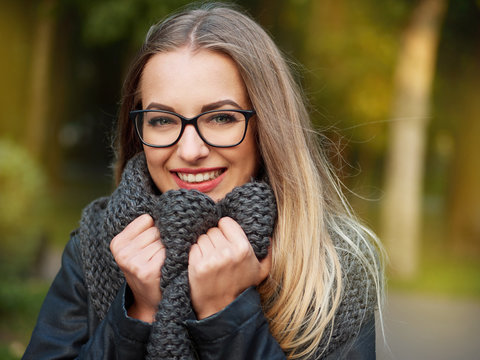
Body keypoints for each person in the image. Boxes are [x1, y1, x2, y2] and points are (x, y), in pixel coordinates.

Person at [24, 2, 384, 359]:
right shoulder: (96, 245)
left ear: (267, 128)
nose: (191, 149)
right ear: (139, 131)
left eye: (221, 118)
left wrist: (226, 314)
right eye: (163, 120)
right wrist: (138, 316)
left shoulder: (337, 267)